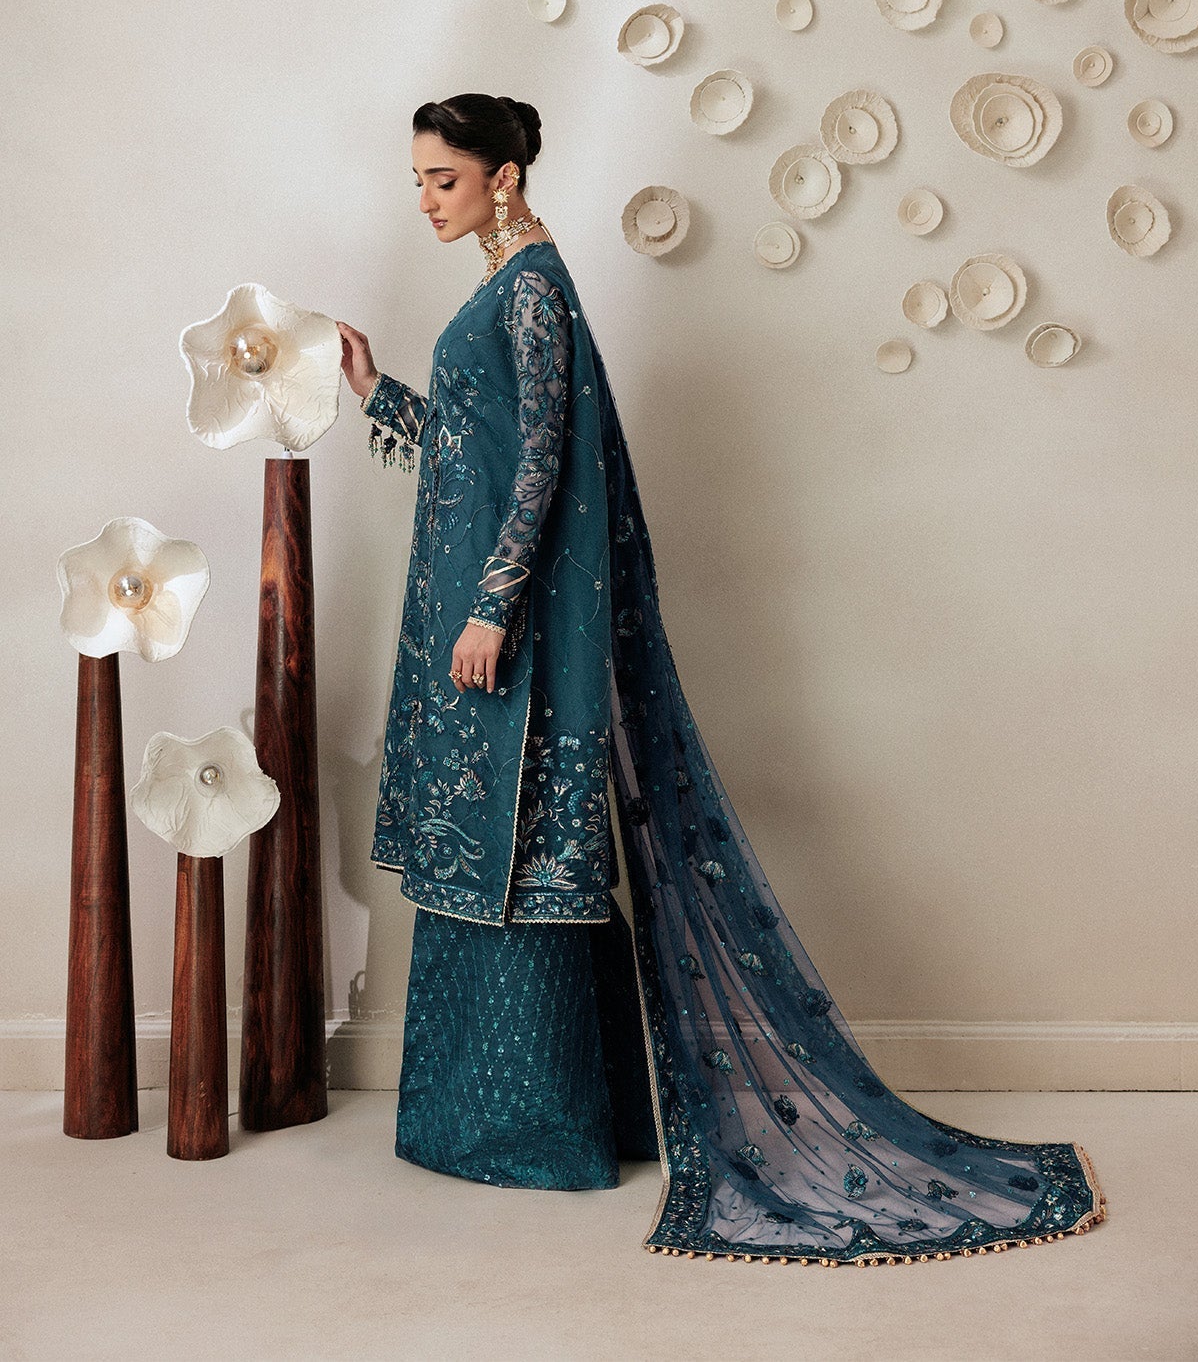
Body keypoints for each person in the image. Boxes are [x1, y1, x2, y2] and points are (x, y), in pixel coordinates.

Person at [336, 92, 1107, 1266]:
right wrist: (374, 389)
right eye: (419, 182)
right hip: (474, 629)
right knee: (490, 853)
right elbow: (470, 445)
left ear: (504, 177)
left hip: (509, 634)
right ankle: (502, 1124)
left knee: (523, 856)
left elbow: (542, 463)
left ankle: (535, 1132)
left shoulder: (534, 286)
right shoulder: (505, 286)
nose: (428, 199)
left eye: (444, 178)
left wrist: (492, 604)